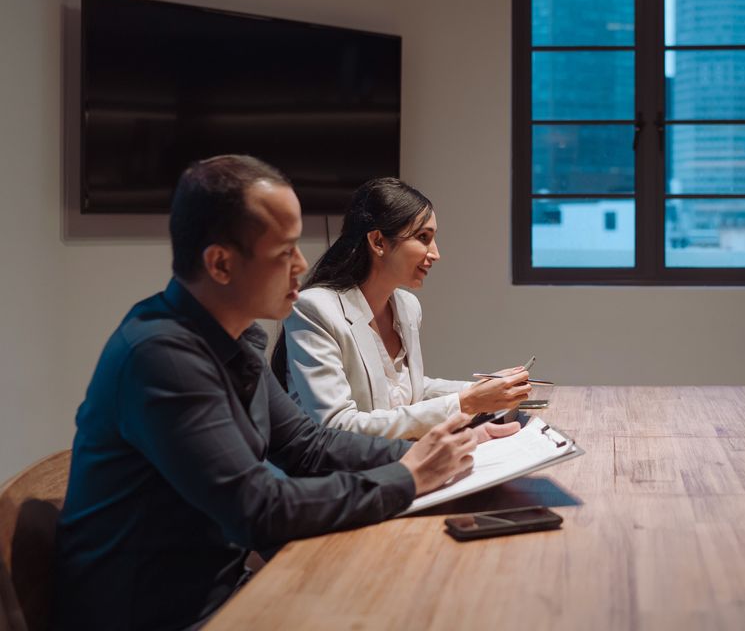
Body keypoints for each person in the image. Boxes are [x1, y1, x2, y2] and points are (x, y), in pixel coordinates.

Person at [53, 156, 516, 631]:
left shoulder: (234, 340)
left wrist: (440, 452)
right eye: (284, 251)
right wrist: (408, 477)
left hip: (221, 591)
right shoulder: (162, 358)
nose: (301, 266)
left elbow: (308, 446)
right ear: (220, 263)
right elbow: (260, 509)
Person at [273, 178, 530, 440]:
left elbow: (406, 390)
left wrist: (483, 389)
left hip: (396, 459)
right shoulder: (314, 309)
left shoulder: (407, 306)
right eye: (423, 238)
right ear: (378, 242)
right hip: (338, 476)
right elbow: (336, 426)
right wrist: (466, 402)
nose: (435, 253)